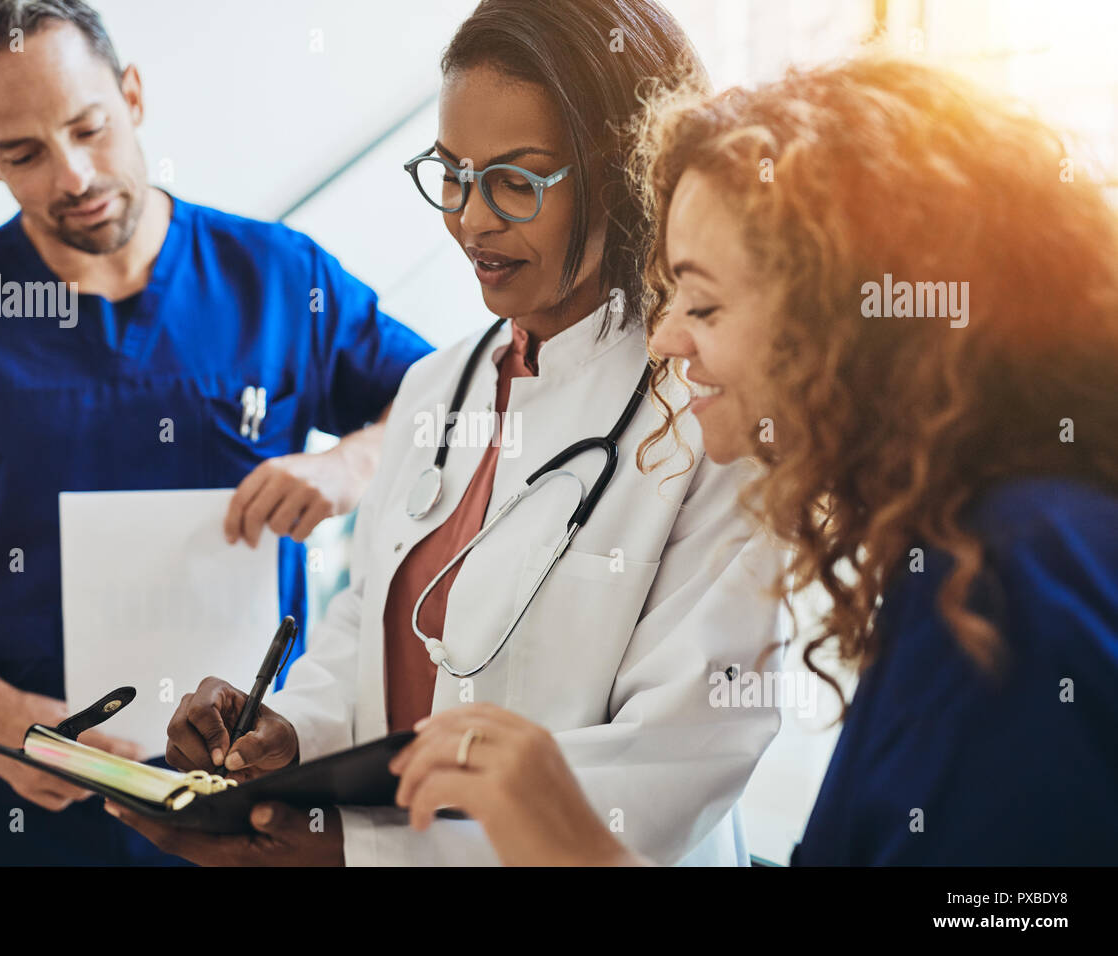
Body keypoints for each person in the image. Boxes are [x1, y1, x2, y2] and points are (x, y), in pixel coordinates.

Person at [388, 56, 1118, 865]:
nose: (665, 339)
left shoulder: (1014, 582)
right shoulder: (964, 551)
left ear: (849, 320)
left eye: (703, 302)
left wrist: (577, 848)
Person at [108, 0, 787, 866]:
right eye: (453, 173)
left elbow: (670, 767)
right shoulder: (436, 385)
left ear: (622, 173)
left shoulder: (707, 415)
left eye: (516, 180)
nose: (470, 218)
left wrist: (357, 852)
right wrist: (285, 738)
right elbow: (366, 629)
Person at [0, 0, 431, 866]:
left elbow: (449, 399)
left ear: (133, 95)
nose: (72, 175)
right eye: (22, 152)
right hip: (16, 809)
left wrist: (357, 461)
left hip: (246, 794)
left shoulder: (279, 278)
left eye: (89, 127)